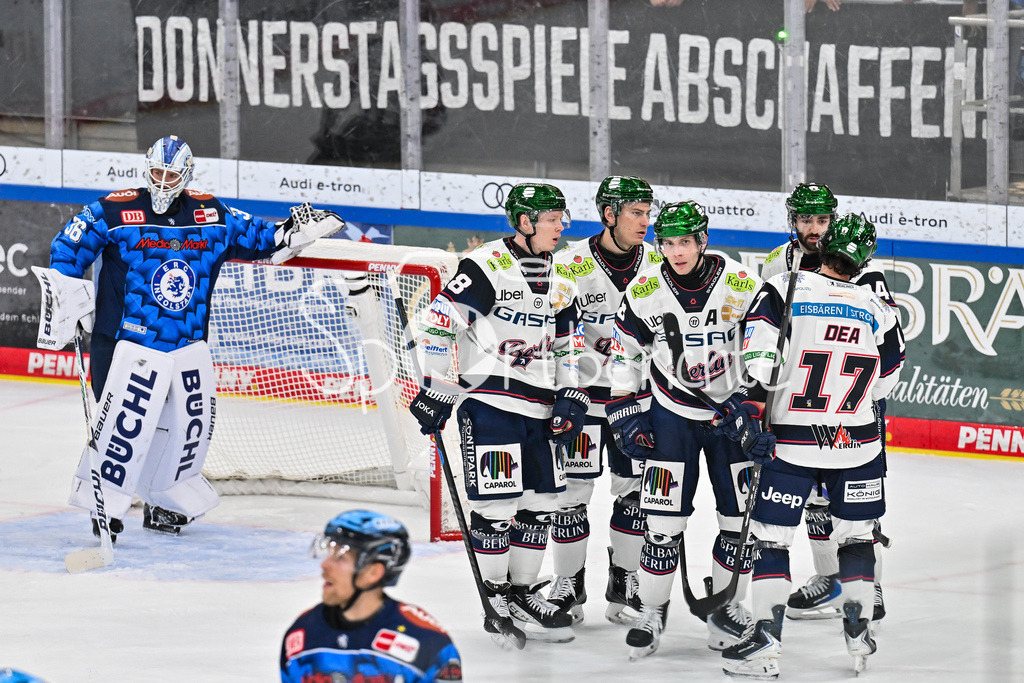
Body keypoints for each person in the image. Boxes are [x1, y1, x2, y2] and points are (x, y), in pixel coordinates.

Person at [32, 135, 344, 541]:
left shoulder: (211, 212)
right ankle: (105, 506)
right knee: (123, 428)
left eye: (172, 174)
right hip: (125, 343)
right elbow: (67, 248)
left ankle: (165, 505)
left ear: (187, 175)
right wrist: (69, 293)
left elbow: (263, 240)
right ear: (146, 169)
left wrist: (293, 231)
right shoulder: (113, 207)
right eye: (157, 173)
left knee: (182, 431)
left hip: (186, 345)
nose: (163, 182)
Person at [721, 214, 905, 678]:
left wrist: (752, 408)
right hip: (857, 443)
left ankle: (764, 642)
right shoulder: (878, 306)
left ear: (824, 247)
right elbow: (885, 381)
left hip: (792, 443)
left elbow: (759, 360)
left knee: (771, 539)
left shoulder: (785, 287)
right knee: (857, 538)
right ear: (865, 259)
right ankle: (860, 638)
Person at [409, 182, 586, 644]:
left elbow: (572, 346)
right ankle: (497, 596)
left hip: (542, 411)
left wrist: (572, 394)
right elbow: (435, 325)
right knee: (496, 508)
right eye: (552, 218)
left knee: (540, 507)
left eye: (562, 217)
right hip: (490, 408)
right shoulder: (488, 267)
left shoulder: (562, 277)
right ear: (525, 222)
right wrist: (437, 386)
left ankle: (524, 593)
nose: (562, 226)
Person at [608, 201, 771, 659]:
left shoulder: (741, 283)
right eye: (667, 243)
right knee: (661, 525)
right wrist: (624, 406)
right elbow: (627, 355)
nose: (676, 252)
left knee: (738, 523)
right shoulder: (645, 288)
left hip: (727, 418)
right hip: (670, 418)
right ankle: (652, 610)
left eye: (685, 242)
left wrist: (755, 398)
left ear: (703, 241)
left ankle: (726, 610)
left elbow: (762, 342)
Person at [762, 184, 891, 625]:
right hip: (799, 406)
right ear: (791, 220)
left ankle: (865, 588)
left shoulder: (863, 274)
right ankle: (832, 579)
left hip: (850, 407)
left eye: (822, 221)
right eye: (806, 220)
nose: (813, 229)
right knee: (816, 504)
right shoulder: (777, 265)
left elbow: (880, 349)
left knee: (852, 507)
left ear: (832, 224)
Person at [546, 176, 659, 626]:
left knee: (635, 495)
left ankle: (625, 579)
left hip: (638, 402)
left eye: (648, 213)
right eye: (636, 212)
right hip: (585, 402)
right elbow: (558, 332)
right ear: (609, 215)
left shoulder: (658, 262)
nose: (645, 222)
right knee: (571, 494)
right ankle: (568, 583)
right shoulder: (569, 264)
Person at [280, 509, 462, 683]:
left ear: (373, 573)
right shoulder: (302, 634)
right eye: (328, 553)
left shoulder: (427, 642)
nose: (325, 565)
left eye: (340, 558)